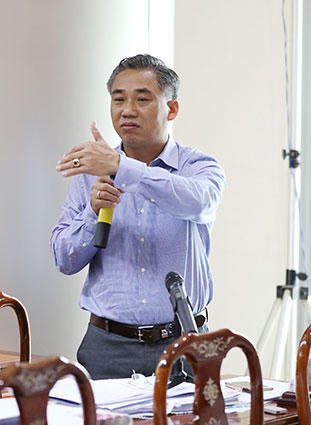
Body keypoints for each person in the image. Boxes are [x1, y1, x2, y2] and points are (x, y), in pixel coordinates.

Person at [50, 54, 226, 379]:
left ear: (172, 109)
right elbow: (64, 259)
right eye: (119, 99)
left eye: (142, 99)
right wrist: (92, 213)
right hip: (107, 347)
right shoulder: (90, 174)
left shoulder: (198, 167)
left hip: (184, 342)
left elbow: (197, 202)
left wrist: (122, 168)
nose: (127, 110)